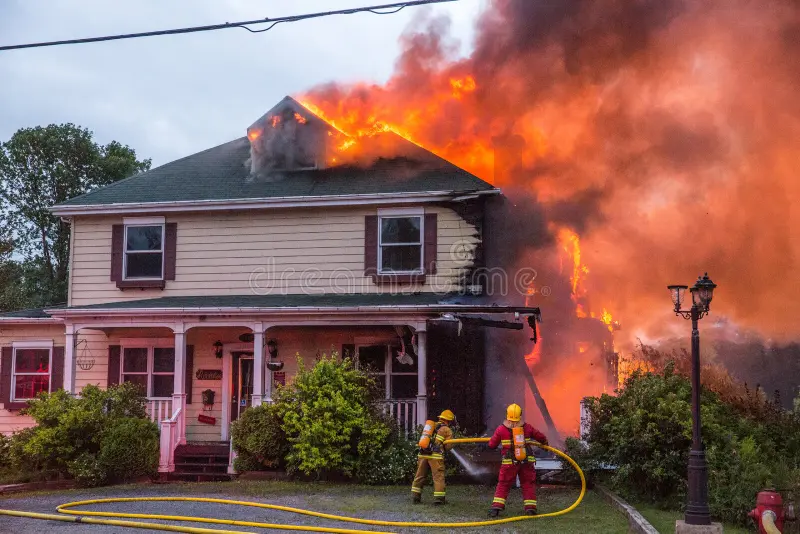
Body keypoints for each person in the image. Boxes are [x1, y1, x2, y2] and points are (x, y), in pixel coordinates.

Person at [487, 403, 548, 517]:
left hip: (509, 463)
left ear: (507, 415)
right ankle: (530, 509)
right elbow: (540, 437)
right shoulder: (527, 427)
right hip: (526, 462)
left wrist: (491, 444)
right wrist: (545, 442)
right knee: (528, 484)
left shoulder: (501, 429)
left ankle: (496, 508)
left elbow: (492, 444)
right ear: (520, 415)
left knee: (504, 484)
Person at [411, 409, 455, 505]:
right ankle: (439, 499)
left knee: (419, 476)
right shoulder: (446, 430)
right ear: (449, 421)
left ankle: (415, 497)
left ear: (441, 418)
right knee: (438, 477)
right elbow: (448, 446)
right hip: (435, 456)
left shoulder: (431, 426)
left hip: (422, 454)